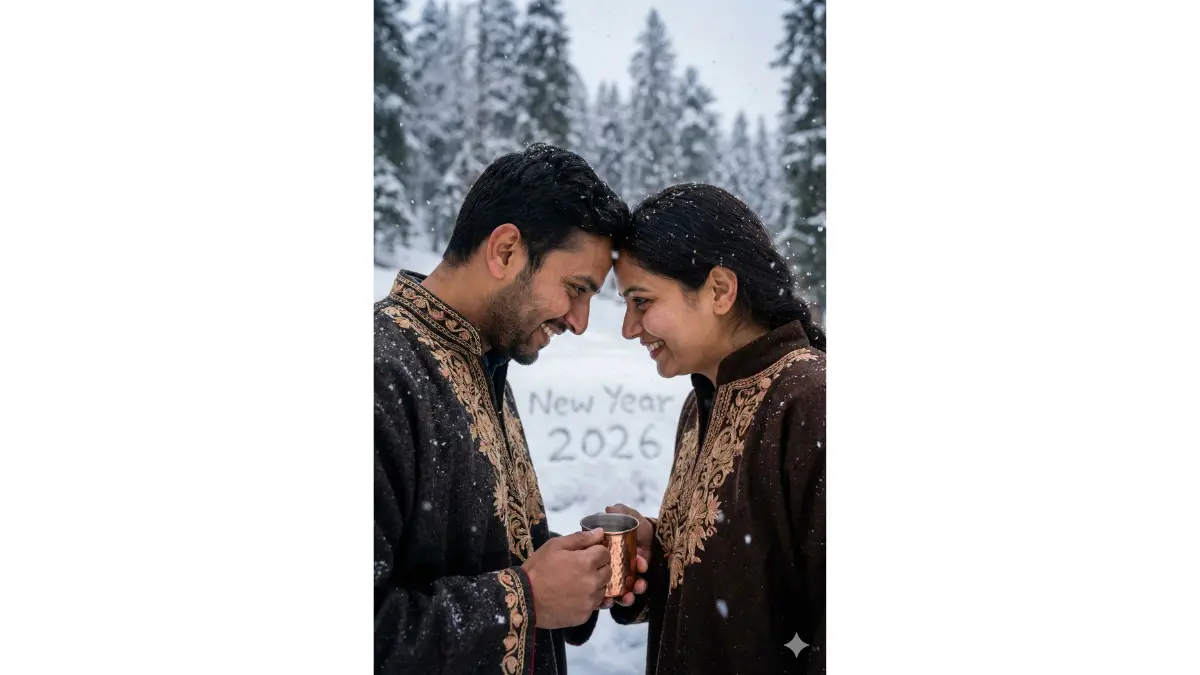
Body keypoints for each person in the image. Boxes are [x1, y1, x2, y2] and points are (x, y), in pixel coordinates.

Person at [374, 143, 646, 674]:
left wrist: (575, 577)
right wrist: (523, 600)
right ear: (504, 252)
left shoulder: (487, 358)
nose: (581, 321)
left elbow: (488, 552)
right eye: (575, 289)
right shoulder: (378, 371)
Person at [604, 183, 827, 674]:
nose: (628, 327)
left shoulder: (813, 399)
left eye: (642, 301)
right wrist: (656, 554)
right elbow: (743, 583)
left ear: (720, 290)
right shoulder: (700, 402)